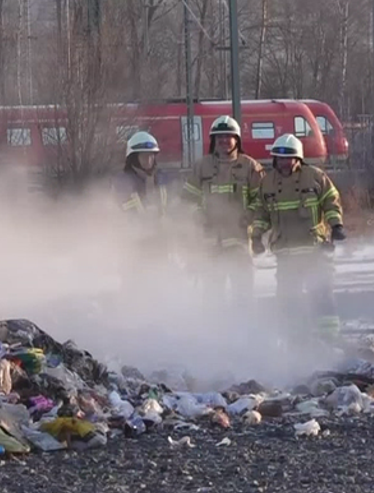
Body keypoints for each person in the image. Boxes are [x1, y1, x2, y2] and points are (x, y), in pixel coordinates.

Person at [248, 134, 346, 347]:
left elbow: (331, 201)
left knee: (321, 294)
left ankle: (329, 339)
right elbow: (261, 213)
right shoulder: (268, 183)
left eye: (288, 158)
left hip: (314, 250)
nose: (284, 162)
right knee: (288, 299)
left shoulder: (315, 177)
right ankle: (295, 340)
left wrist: (336, 225)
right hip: (286, 253)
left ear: (298, 158)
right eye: (279, 158)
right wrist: (256, 236)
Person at [183, 115, 265, 308]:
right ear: (213, 141)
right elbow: (187, 199)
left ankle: (243, 332)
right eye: (219, 137)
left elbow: (262, 200)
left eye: (228, 136)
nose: (223, 141)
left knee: (243, 294)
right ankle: (215, 332)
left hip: (240, 241)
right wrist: (197, 214)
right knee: (212, 295)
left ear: (237, 140)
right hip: (210, 243)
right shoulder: (202, 166)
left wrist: (249, 215)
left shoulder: (250, 167)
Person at [113, 131, 180, 295]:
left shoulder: (163, 179)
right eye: (144, 157)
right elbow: (123, 211)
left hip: (161, 243)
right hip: (136, 246)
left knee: (163, 287)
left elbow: (174, 206)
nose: (148, 160)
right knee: (136, 289)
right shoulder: (123, 181)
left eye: (151, 156)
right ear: (133, 158)